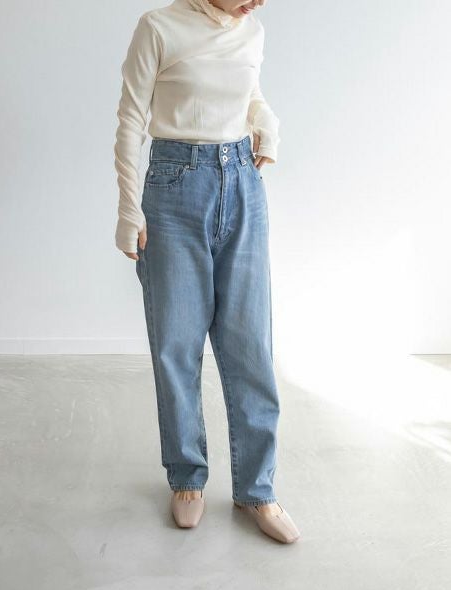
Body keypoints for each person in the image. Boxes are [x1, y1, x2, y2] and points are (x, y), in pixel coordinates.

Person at [113, 0, 300, 544]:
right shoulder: (158, 27)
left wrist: (267, 125)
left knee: (250, 346)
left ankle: (257, 489)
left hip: (242, 184)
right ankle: (187, 478)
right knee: (177, 343)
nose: (258, 2)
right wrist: (128, 208)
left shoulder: (251, 30)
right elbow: (130, 118)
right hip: (173, 189)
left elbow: (250, 94)